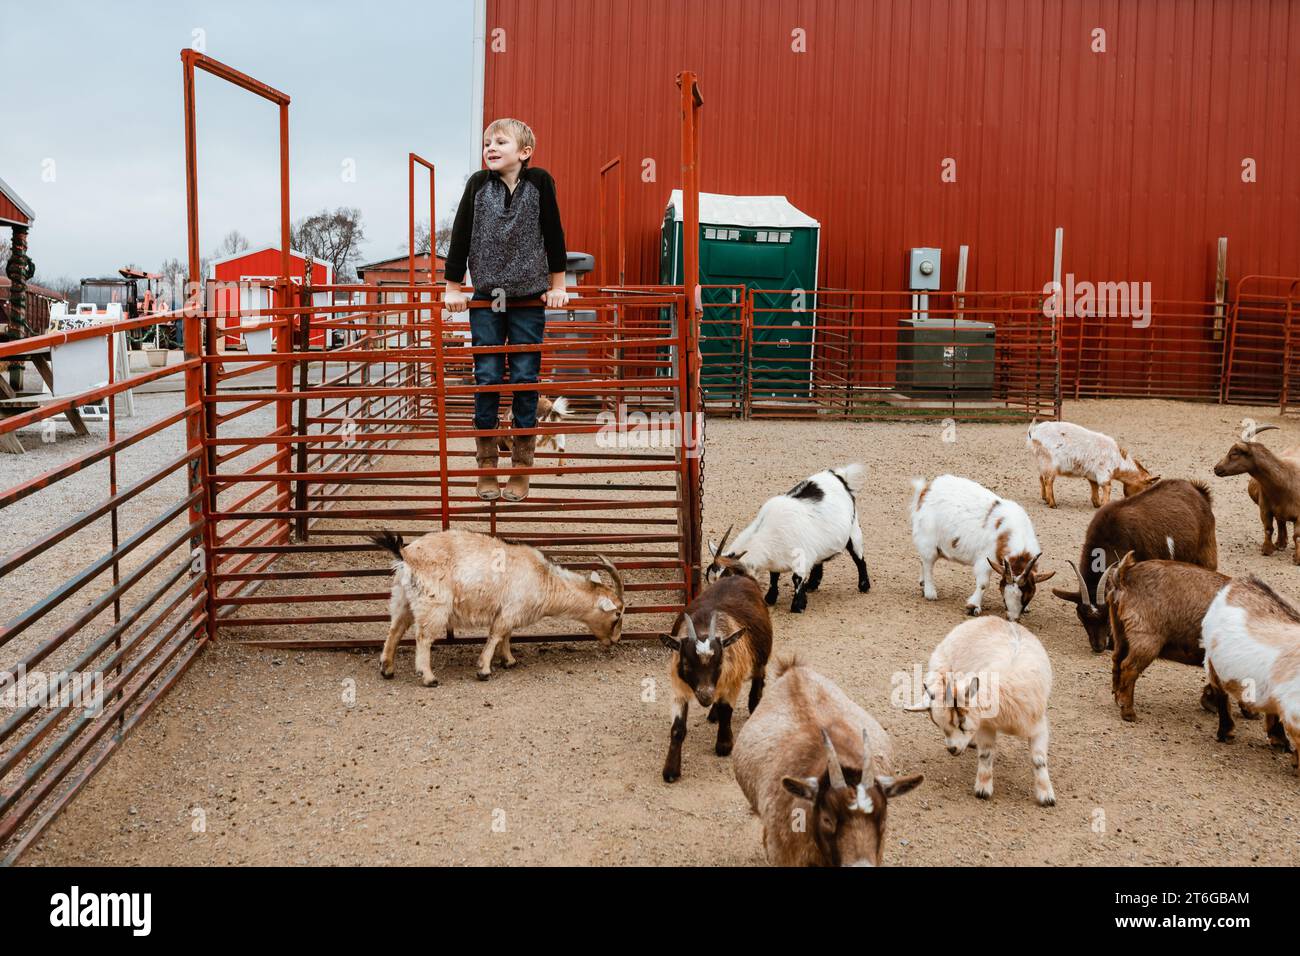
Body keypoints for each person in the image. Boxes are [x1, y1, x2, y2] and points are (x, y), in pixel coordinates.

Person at [443, 118, 568, 501]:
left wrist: (558, 285)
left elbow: (553, 231)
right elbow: (461, 233)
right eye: (487, 143)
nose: (490, 147)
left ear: (524, 152)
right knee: (488, 376)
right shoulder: (478, 186)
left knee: (526, 378)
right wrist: (452, 287)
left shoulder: (540, 183)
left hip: (529, 299)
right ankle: (485, 466)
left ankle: (521, 467)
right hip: (486, 297)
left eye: (500, 142)